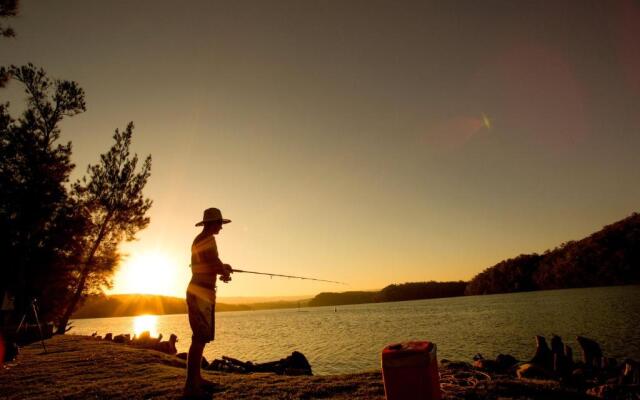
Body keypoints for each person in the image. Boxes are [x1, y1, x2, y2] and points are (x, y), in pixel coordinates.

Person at [184, 207, 233, 398]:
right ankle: (191, 386)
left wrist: (223, 268)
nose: (221, 227)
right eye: (219, 223)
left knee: (200, 338)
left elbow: (208, 264)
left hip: (200, 291)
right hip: (201, 293)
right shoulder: (208, 239)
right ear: (212, 223)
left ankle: (196, 379)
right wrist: (224, 271)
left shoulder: (200, 240)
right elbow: (213, 263)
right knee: (199, 338)